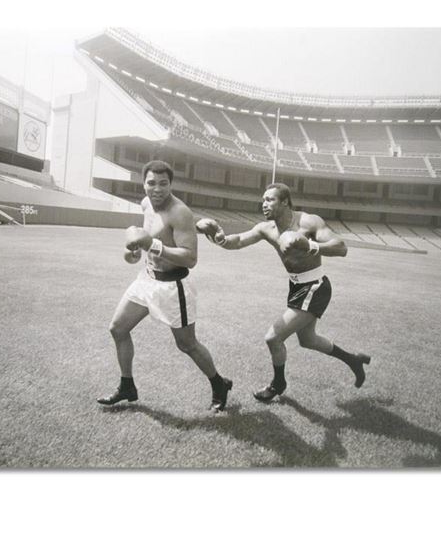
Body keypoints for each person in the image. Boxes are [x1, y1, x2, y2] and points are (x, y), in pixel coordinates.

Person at [197, 183, 370, 402]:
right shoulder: (266, 228)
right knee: (308, 340)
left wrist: (308, 244)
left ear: (285, 201)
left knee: (273, 338)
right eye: (263, 200)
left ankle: (278, 384)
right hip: (297, 287)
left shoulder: (308, 221)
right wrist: (219, 237)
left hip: (315, 287)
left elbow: (341, 247)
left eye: (270, 199)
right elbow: (238, 241)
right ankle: (354, 360)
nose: (264, 204)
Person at [97, 160, 232, 412]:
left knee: (187, 344)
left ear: (171, 184)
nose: (156, 189)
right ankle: (127, 386)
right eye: (151, 183)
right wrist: (135, 251)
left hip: (173, 287)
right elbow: (146, 239)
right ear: (143, 183)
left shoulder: (180, 212)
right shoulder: (146, 203)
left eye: (163, 183)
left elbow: (190, 258)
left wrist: (152, 245)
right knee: (117, 329)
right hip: (146, 279)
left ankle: (219, 383)